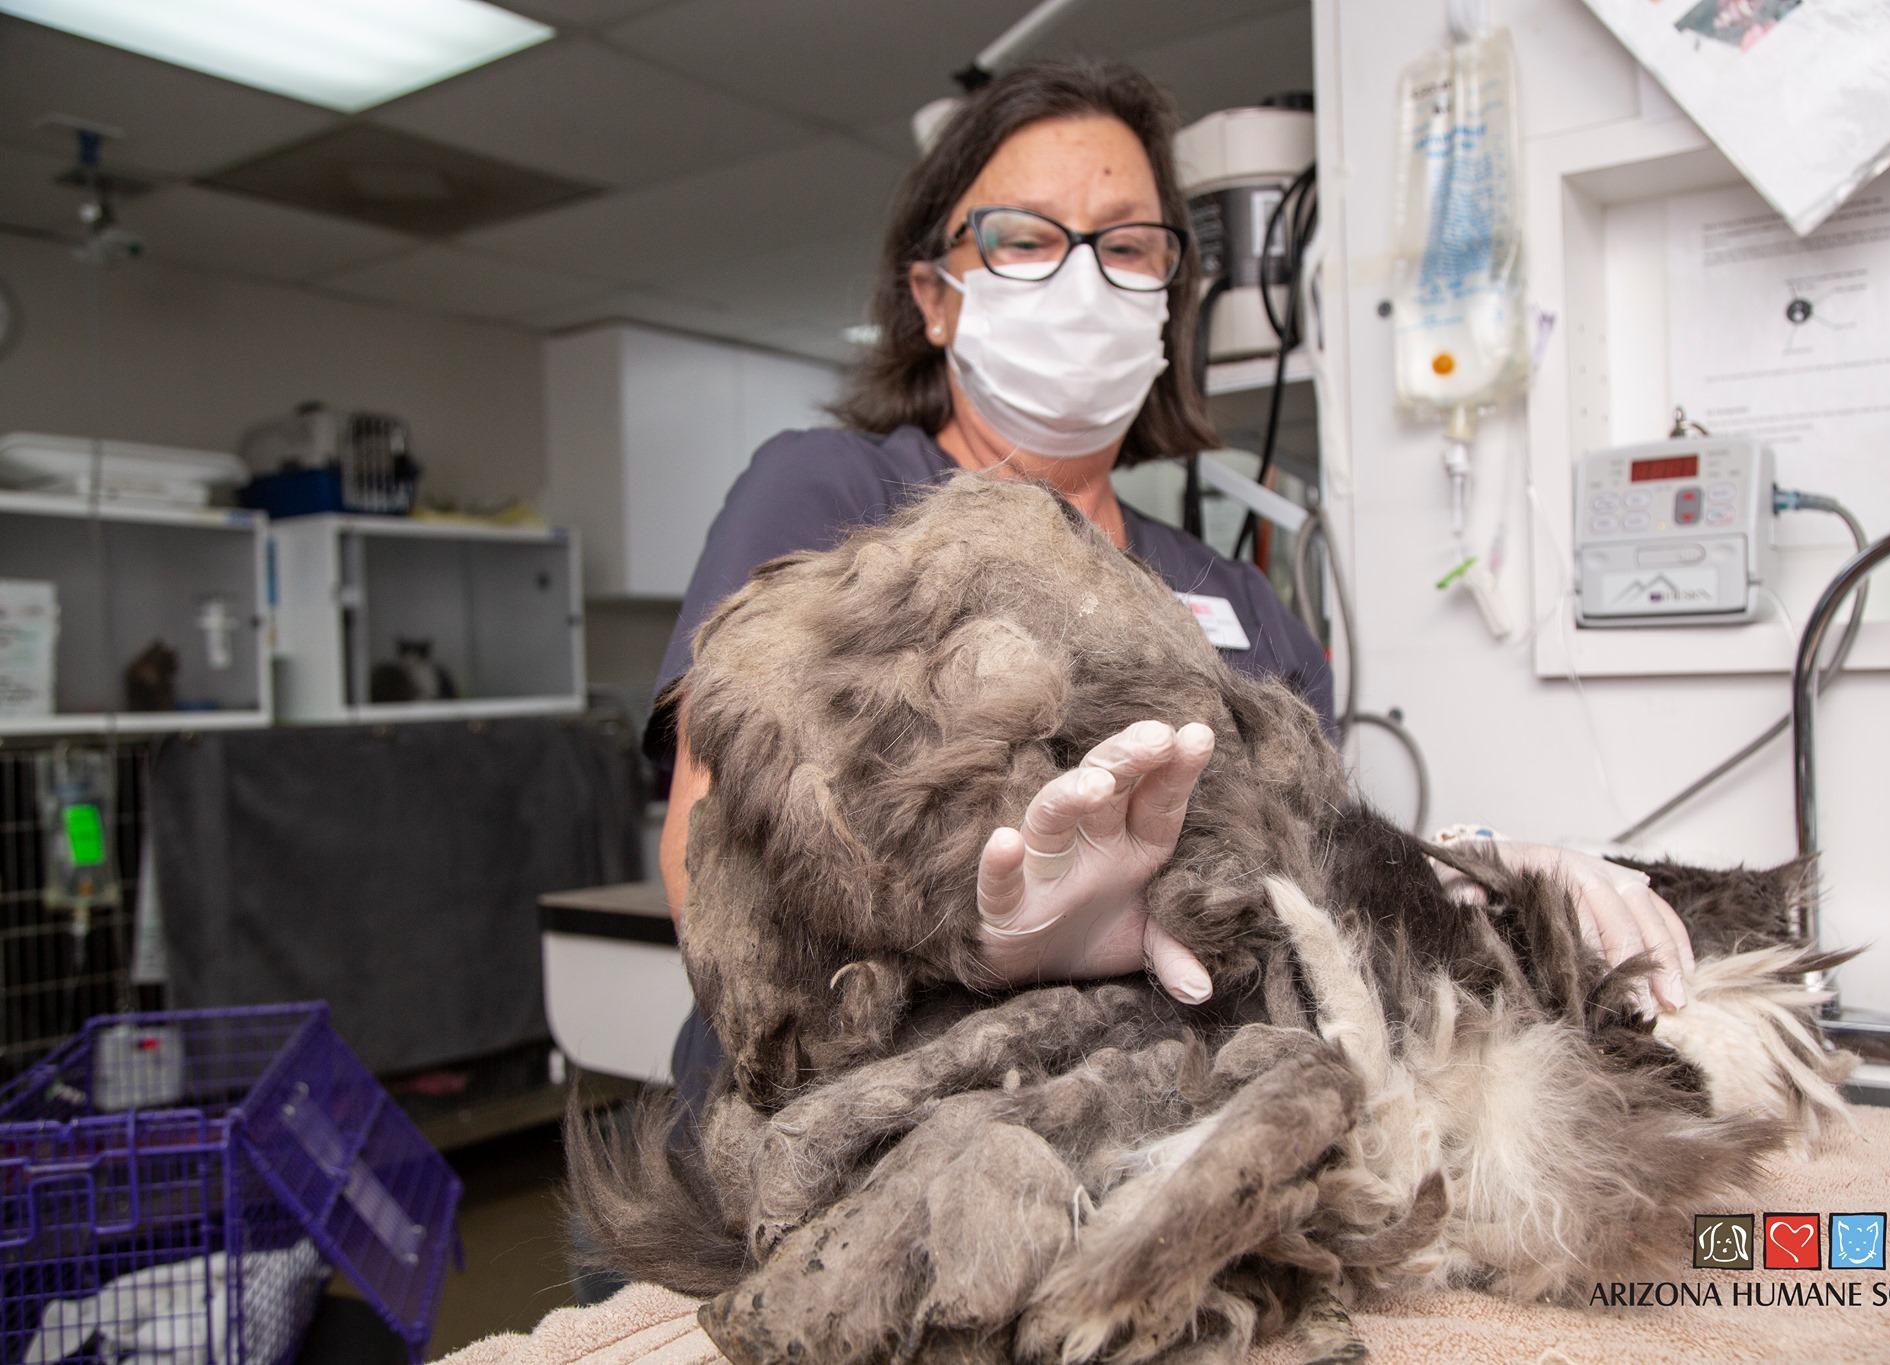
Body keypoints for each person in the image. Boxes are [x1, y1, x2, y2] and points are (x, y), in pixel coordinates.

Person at [644, 58, 1693, 1113]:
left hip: (1137, 1122)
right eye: (1023, 237)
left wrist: (1455, 872)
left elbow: (1312, 880)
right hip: (821, 1127)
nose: (1079, 275)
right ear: (934, 299)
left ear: (1166, 300)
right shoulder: (832, 487)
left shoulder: (1232, 596)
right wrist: (980, 956)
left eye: (1127, 245)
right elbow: (709, 861)